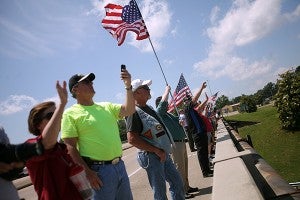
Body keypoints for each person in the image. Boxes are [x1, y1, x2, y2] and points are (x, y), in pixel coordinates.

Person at [61, 69, 135, 200]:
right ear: (75, 90)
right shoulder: (70, 113)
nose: (91, 84)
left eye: (91, 81)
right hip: (98, 172)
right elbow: (70, 147)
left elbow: (130, 110)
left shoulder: (106, 106)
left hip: (120, 166)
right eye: (86, 82)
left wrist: (128, 86)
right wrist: (87, 172)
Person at [126, 79, 185, 200]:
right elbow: (132, 139)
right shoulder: (133, 112)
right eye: (146, 88)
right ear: (136, 93)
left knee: (177, 183)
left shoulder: (149, 108)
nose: (149, 90)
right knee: (160, 192)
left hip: (162, 153)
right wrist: (156, 150)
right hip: (151, 155)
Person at [25, 81, 83, 199]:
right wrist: (62, 104)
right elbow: (46, 143)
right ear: (37, 124)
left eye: (58, 113)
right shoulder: (30, 147)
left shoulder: (62, 149)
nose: (58, 116)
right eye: (50, 115)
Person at [155, 85, 199, 199]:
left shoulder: (168, 114)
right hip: (174, 144)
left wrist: (180, 120)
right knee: (179, 168)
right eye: (165, 102)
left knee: (184, 167)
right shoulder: (160, 114)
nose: (168, 103)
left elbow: (180, 122)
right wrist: (167, 91)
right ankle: (182, 191)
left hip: (181, 142)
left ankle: (186, 187)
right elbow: (161, 108)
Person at [183, 82, 213, 178]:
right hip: (197, 134)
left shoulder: (192, 109)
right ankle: (205, 172)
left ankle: (207, 169)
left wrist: (206, 100)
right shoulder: (187, 108)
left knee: (204, 152)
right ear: (187, 102)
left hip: (201, 133)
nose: (192, 100)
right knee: (202, 153)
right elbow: (195, 99)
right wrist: (201, 88)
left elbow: (200, 107)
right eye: (189, 100)